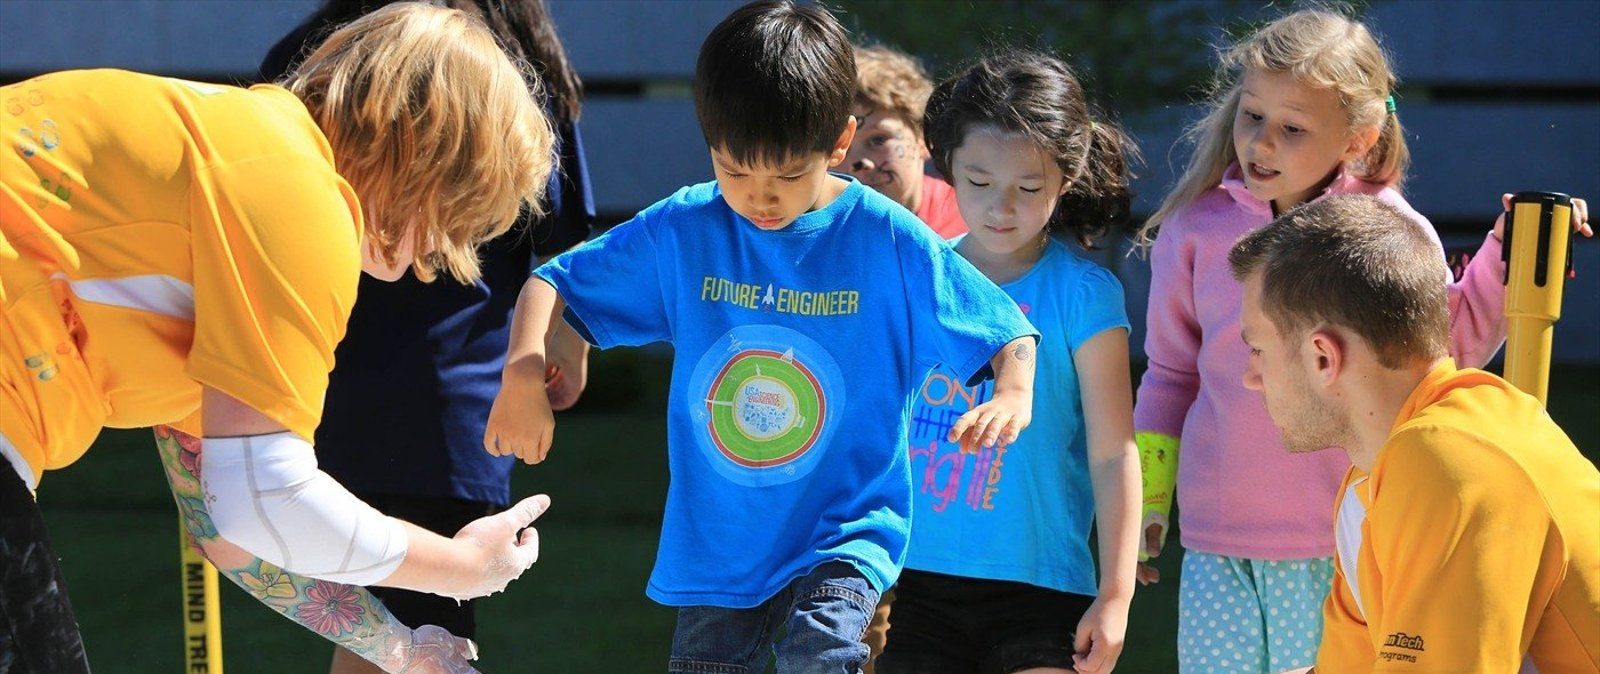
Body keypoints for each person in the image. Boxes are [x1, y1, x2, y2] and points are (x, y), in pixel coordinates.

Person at [484, 2, 1039, 671]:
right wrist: (523, 371)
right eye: (735, 170)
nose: (760, 198)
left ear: (839, 144)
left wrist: (1012, 392)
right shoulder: (689, 228)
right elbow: (553, 283)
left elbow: (1004, 325)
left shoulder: (886, 239)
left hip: (846, 529)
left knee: (822, 654)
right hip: (721, 540)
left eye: (785, 175)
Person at [0, 4, 554, 672]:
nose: (434, 261)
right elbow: (265, 496)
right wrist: (459, 569)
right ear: (422, 152)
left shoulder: (238, 163)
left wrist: (405, 649)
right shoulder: (298, 190)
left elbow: (228, 527)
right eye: (456, 220)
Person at [1131, 9, 1516, 672]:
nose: (1261, 143)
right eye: (1252, 116)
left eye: (1292, 128)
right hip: (1215, 540)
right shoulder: (1195, 227)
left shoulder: (1384, 232)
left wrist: (1510, 259)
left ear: (1358, 138)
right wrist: (1148, 497)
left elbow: (1439, 358)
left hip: (1339, 539)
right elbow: (1169, 373)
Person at [255, 2, 594, 672]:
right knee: (404, 629)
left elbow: (562, 235)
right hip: (343, 384)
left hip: (448, 400)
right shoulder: (322, 58)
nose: (424, 243)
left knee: (405, 626)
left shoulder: (521, 71)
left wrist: (553, 347)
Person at [1227, 194, 1598, 673]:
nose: (1250, 377)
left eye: (1257, 349)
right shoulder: (1372, 480)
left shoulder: (1452, 463)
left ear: (1323, 357)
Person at [874, 51, 1140, 674]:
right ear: (945, 165)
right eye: (978, 182)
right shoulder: (919, 273)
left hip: (1044, 590)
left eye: (1028, 188)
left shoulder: (1083, 295)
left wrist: (1116, 595)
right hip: (917, 585)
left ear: (1066, 180)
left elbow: (1113, 451)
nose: (1001, 208)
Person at [844, 44, 967, 239]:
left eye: (878, 140)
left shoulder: (972, 219)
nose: (859, 163)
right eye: (838, 146)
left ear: (925, 140)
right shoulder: (812, 235)